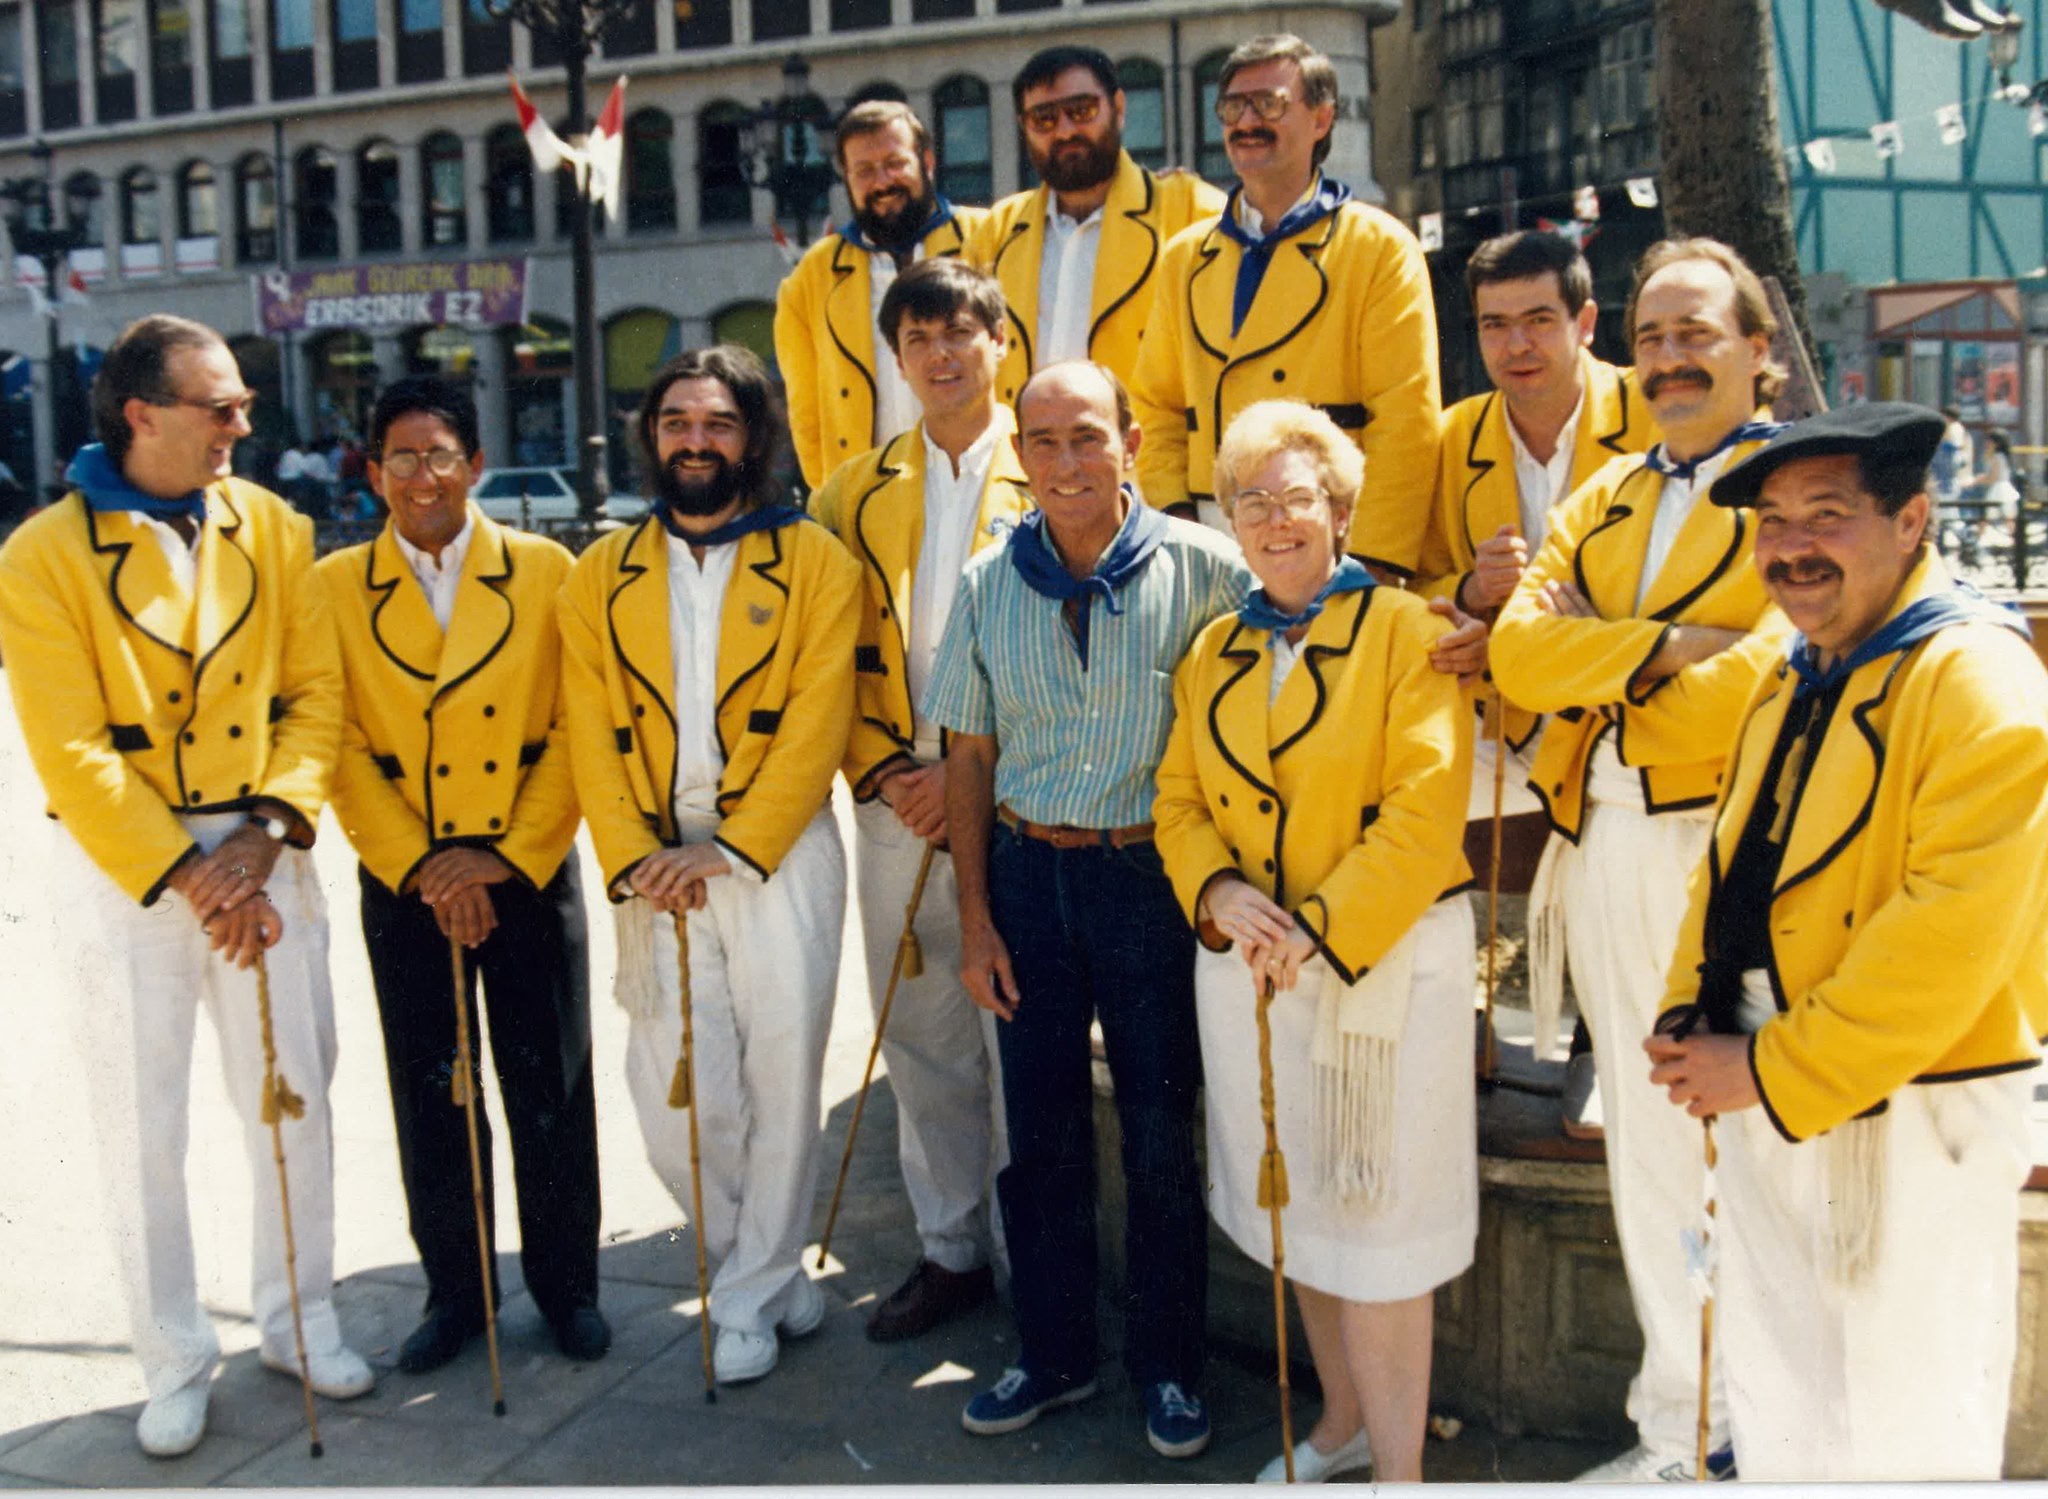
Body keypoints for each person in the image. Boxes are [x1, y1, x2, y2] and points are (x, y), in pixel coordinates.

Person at [1647, 403, 2048, 1480]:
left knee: (1907, 1421)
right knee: (1785, 1405)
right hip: (1775, 1089)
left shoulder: (1975, 674)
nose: (1788, 547)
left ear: (1910, 519)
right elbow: (1729, 858)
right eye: (1771, 521)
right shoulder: (1800, 664)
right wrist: (1689, 1006)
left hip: (1909, 1106)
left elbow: (1949, 932)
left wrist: (1770, 1066)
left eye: (1823, 516)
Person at [0, 315, 369, 1456]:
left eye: (244, 404)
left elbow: (314, 695)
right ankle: (171, 1352)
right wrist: (190, 874)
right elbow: (70, 748)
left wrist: (264, 833)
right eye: (221, 406)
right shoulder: (42, 555)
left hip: (263, 847)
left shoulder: (273, 523)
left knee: (293, 1093)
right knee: (140, 1122)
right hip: (133, 873)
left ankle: (300, 1316)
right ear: (140, 414)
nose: (243, 425)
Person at [1488, 238, 1795, 1483]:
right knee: (1649, 1144)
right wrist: (1670, 644)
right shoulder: (1598, 498)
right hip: (1608, 839)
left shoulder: (1795, 491)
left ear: (1755, 351)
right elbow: (1517, 654)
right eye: (1654, 337)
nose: (1670, 359)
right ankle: (1683, 1426)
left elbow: (1764, 681)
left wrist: (1606, 651)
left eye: (1698, 334)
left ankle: (1774, 1430)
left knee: (1764, 1148)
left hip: (1738, 855)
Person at [925, 359, 1250, 1458]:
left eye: (1086, 437)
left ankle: (1167, 1366)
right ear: (1018, 456)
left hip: (1144, 881)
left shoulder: (1204, 569)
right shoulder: (983, 583)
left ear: (1131, 444)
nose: (1065, 463)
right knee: (1042, 1127)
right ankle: (1053, 1351)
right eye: (1044, 441)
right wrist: (974, 917)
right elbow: (968, 755)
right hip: (1025, 874)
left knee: (1159, 1125)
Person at [1154, 400, 1476, 1483]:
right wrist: (1217, 888)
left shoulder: (1402, 629)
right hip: (1250, 971)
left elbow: (1425, 809)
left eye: (1295, 497)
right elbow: (1178, 794)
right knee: (1295, 1208)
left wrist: (1323, 933)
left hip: (1380, 969)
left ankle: (1400, 1473)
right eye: (1250, 500)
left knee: (1380, 1225)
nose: (1272, 519)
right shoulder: (1213, 646)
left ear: (1338, 510)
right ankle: (1339, 1422)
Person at [557, 345, 861, 1386]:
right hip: (654, 866)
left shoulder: (816, 561)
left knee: (781, 1074)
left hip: (773, 855)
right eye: (676, 419)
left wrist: (727, 848)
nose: (695, 439)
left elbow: (818, 721)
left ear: (752, 437)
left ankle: (744, 1290)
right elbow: (589, 729)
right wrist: (643, 856)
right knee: (676, 1089)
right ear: (652, 436)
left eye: (717, 422)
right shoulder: (599, 571)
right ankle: (763, 1267)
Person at [315, 375, 607, 1374]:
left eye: (440, 454)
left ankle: (569, 1287)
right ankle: (457, 1291)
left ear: (475, 463)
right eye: (400, 456)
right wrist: (425, 865)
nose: (422, 475)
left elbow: (577, 725)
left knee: (548, 1082)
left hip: (525, 861)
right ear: (371, 473)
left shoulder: (545, 570)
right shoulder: (332, 588)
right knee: (433, 1089)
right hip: (407, 880)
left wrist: (504, 855)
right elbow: (336, 743)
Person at [809, 258, 1033, 1341]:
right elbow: (818, 665)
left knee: (1016, 1022)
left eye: (960, 332)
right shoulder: (850, 491)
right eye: (917, 339)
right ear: (894, 360)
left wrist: (975, 777)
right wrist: (885, 771)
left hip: (1020, 793)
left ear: (999, 341)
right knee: (920, 1027)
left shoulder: (1051, 472)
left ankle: (1030, 1244)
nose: (941, 355)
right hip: (895, 793)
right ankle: (950, 1248)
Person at [1414, 229, 1661, 1138]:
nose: (1517, 347)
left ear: (1586, 322)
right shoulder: (1457, 434)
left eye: (1539, 322)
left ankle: (1602, 1042)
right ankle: (1454, 1015)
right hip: (1502, 706)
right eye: (1494, 325)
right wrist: (1465, 597)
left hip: (1618, 707)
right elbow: (1415, 585)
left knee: (1620, 822)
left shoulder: (1647, 418)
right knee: (1402, 792)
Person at [1130, 32, 1439, 572]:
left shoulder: (1380, 247)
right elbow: (1155, 408)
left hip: (1330, 531)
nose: (1246, 121)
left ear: (1321, 120)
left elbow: (1405, 421)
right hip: (1208, 532)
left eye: (1269, 103)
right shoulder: (1184, 257)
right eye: (1232, 106)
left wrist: (1372, 563)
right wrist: (1173, 526)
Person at [970, 45, 1224, 409]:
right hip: (1023, 458)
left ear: (1118, 109)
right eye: (1044, 118)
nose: (1065, 131)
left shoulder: (1191, 210)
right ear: (1023, 126)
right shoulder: (997, 231)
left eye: (1082, 110)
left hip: (1147, 457)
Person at [774, 100, 988, 489]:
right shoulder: (813, 275)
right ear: (847, 178)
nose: (882, 182)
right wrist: (832, 499)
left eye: (895, 163)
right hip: (870, 497)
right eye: (865, 171)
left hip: (982, 484)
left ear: (926, 161)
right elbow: (806, 414)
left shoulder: (988, 238)